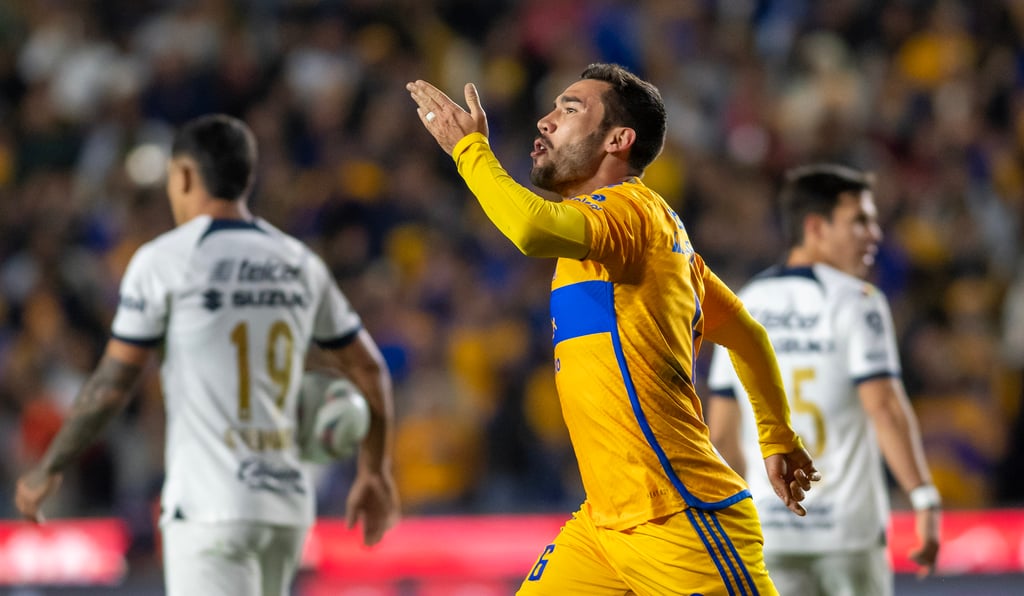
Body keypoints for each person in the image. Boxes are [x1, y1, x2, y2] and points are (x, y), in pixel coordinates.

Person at [407, 63, 819, 595]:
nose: (545, 120)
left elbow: (530, 228)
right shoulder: (649, 235)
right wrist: (777, 436)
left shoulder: (628, 214)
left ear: (618, 141)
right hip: (604, 527)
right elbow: (747, 335)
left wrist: (470, 152)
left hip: (680, 517)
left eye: (570, 109)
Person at [14, 114, 399, 596]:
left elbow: (112, 384)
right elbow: (370, 368)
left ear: (186, 176)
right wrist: (374, 471)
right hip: (283, 508)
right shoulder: (299, 262)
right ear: (246, 177)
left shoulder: (164, 261)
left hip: (208, 508)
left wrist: (50, 464)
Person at [706, 163, 941, 595]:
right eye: (860, 221)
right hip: (847, 537)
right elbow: (885, 408)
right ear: (816, 227)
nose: (875, 234)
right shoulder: (858, 301)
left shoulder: (744, 303)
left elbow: (722, 433)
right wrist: (923, 497)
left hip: (769, 530)